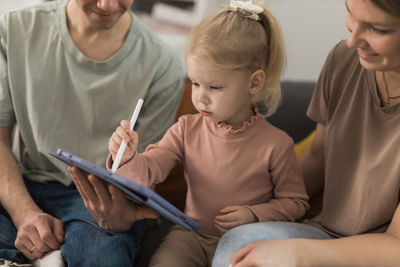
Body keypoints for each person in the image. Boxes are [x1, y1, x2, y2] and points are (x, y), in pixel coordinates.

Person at [103, 1, 309, 266]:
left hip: (246, 239)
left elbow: (296, 203)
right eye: (195, 83)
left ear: (254, 82)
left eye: (214, 87)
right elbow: (151, 169)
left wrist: (254, 214)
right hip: (189, 235)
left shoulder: (277, 145)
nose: (200, 98)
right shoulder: (186, 129)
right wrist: (129, 157)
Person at [211, 0, 400, 266]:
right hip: (324, 234)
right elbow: (317, 157)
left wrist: (299, 253)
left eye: (377, 29)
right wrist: (250, 205)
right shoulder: (344, 61)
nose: (353, 40)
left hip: (380, 255)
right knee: (239, 244)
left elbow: (396, 246)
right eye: (350, 14)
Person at [0, 0, 185, 265]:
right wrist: (24, 214)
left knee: (100, 255)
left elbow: (144, 177)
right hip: (18, 180)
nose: (108, 5)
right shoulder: (14, 30)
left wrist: (122, 216)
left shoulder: (163, 66)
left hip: (102, 197)